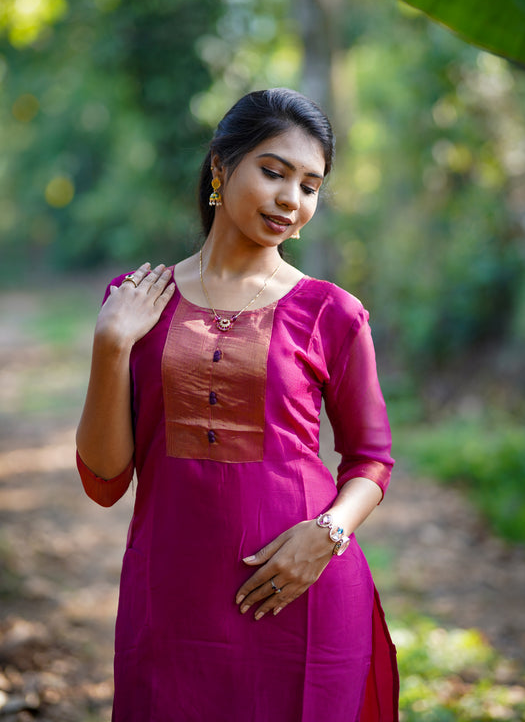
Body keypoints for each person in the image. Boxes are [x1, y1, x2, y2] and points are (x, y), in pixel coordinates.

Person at [76, 88, 399, 722]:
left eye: (310, 185)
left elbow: (371, 461)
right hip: (171, 592)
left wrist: (326, 536)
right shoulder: (139, 300)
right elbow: (105, 479)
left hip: (300, 591)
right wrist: (112, 344)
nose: (290, 200)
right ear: (221, 168)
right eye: (274, 172)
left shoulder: (331, 312)